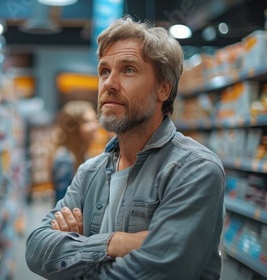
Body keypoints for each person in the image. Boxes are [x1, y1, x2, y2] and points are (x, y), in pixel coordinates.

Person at [25, 16, 225, 280]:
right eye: (104, 71)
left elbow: (157, 273)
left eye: (128, 69)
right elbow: (36, 250)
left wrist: (74, 256)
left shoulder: (194, 170)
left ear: (163, 89)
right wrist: (114, 242)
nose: (109, 83)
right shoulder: (89, 172)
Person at [51, 100, 98, 203]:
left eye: (95, 120)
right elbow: (63, 203)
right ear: (72, 126)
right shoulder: (65, 159)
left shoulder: (83, 155)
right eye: (87, 122)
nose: (95, 126)